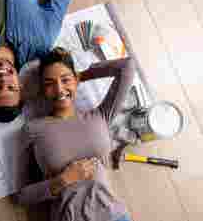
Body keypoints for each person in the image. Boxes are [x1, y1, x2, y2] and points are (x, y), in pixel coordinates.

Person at [17, 47, 135, 221]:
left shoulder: (101, 115)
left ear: (76, 79)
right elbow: (22, 197)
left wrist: (82, 76)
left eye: (65, 80)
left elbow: (127, 66)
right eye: (49, 84)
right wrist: (63, 180)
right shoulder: (34, 129)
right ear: (42, 90)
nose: (58, 89)